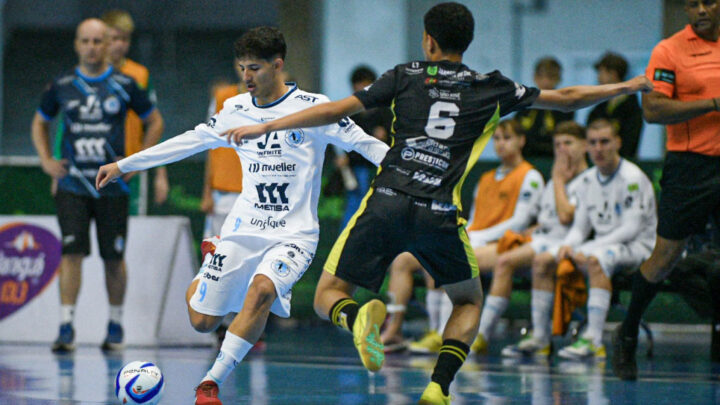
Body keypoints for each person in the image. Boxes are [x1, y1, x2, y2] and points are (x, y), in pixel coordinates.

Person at [223, 4, 652, 403]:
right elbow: (570, 98)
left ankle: (358, 322)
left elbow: (337, 110)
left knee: (328, 295)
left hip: (386, 201)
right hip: (440, 213)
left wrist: (271, 125)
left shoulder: (405, 75)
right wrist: (628, 84)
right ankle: (438, 387)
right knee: (467, 302)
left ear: (428, 41)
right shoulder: (492, 88)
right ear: (466, 43)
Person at [95, 27, 388, 405]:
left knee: (262, 290)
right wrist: (124, 165)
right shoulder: (235, 109)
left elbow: (365, 143)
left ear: (277, 65)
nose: (246, 77)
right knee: (202, 321)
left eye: (255, 68)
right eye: (242, 68)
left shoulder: (314, 106)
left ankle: (209, 384)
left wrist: (410, 172)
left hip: (294, 234)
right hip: (243, 228)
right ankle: (209, 260)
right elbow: (188, 141)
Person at [30, 18, 163, 353]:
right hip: (73, 184)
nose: (91, 47)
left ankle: (115, 325)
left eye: (98, 41)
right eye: (85, 41)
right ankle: (65, 326)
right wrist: (47, 161)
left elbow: (155, 121)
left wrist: (137, 161)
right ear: (77, 44)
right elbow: (39, 123)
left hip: (111, 188)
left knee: (113, 257)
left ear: (108, 45)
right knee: (71, 253)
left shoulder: (125, 84)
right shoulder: (62, 84)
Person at [612, 0, 720, 381]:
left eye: (709, 1)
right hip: (690, 166)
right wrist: (713, 103)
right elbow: (653, 110)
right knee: (665, 258)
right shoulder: (669, 50)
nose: (701, 10)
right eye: (693, 3)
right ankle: (626, 334)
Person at [382, 119, 544, 355]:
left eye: (507, 138)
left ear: (521, 141)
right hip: (478, 240)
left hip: (509, 243)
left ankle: (449, 335)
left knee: (451, 259)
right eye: (497, 138)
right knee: (405, 259)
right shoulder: (486, 177)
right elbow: (477, 218)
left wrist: (474, 236)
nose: (501, 144)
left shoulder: (531, 176)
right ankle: (398, 330)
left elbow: (519, 223)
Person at [502, 119, 656, 360]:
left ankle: (593, 341)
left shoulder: (632, 178)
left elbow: (631, 229)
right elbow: (580, 228)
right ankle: (541, 338)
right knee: (543, 260)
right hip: (603, 244)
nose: (598, 148)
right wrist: (568, 246)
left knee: (595, 258)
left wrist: (588, 247)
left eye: (604, 142)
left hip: (638, 247)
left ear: (618, 142)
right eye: (593, 142)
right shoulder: (588, 181)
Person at [471, 120, 588, 355]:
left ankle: (481, 334)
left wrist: (557, 180)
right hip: (543, 241)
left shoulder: (586, 179)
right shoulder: (556, 177)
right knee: (510, 257)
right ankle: (540, 338)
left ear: (584, 146)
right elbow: (547, 220)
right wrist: (531, 231)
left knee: (505, 261)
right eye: (557, 144)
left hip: (569, 245)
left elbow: (566, 217)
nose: (562, 149)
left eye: (568, 143)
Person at [101, 9, 169, 208]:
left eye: (125, 39)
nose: (120, 44)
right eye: (114, 38)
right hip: (91, 167)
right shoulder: (86, 74)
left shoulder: (139, 75)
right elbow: (66, 125)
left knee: (129, 232)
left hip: (128, 171)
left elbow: (154, 125)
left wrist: (160, 172)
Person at [334, 66, 392, 227]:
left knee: (379, 211)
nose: (361, 89)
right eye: (358, 85)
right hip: (357, 170)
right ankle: (346, 246)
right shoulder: (352, 115)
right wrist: (344, 158)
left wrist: (385, 136)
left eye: (365, 85)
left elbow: (395, 143)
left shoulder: (385, 113)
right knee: (353, 210)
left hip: (380, 171)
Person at [586, 52, 643, 159]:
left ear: (613, 74)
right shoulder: (599, 107)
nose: (598, 77)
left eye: (601, 72)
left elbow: (631, 141)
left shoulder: (632, 108)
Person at [515, 57, 575, 158]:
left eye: (551, 77)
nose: (546, 81)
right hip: (527, 158)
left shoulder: (566, 107)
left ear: (558, 79)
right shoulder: (524, 106)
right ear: (535, 77)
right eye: (541, 76)